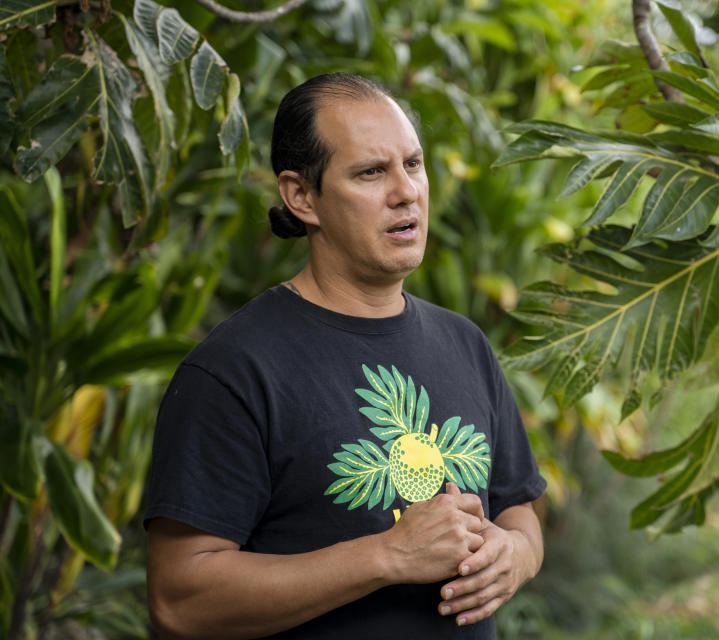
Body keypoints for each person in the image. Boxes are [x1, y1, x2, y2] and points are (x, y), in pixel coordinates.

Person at [143, 73, 547, 639]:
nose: (406, 191)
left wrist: (516, 555)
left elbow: (519, 508)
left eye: (413, 163)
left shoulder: (464, 343)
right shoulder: (234, 369)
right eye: (371, 172)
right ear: (301, 196)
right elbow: (180, 599)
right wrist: (387, 556)